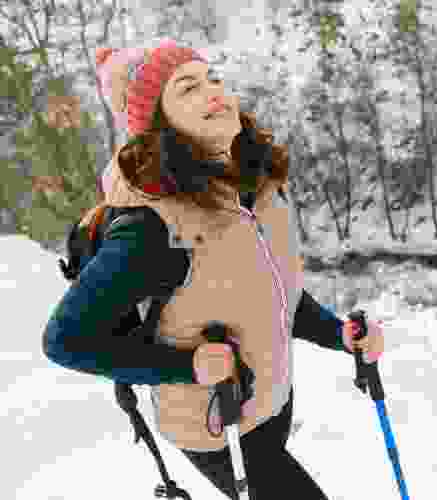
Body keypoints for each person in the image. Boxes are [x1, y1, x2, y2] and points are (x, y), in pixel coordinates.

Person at [42, 38, 386, 500]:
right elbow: (64, 340)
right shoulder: (153, 227)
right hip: (215, 427)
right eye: (187, 88)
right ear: (159, 125)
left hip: (269, 402)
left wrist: (337, 333)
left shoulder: (255, 188)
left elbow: (274, 293)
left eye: (214, 78)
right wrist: (188, 366)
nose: (213, 92)